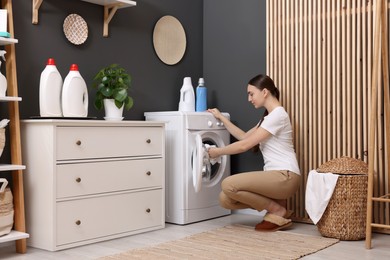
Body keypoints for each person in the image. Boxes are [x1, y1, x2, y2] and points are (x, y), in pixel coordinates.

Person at [207, 74, 301, 232]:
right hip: (276, 178)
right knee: (225, 199)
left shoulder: (278, 115)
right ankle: (278, 209)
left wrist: (217, 152)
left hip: (285, 176)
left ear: (264, 92)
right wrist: (221, 118)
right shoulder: (268, 118)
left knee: (228, 184)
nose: (249, 99)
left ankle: (277, 211)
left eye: (251, 94)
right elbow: (244, 137)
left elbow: (245, 145)